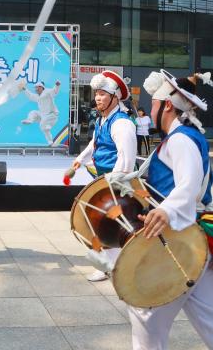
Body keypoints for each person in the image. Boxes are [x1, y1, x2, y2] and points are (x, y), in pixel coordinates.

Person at [126, 70, 213, 349]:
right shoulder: (183, 137)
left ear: (166, 105)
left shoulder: (180, 139)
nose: (150, 108)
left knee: (145, 313)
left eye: (154, 102)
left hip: (179, 239)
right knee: (209, 315)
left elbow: (188, 184)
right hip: (194, 240)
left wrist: (167, 210)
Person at [72, 70, 137, 282]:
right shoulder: (102, 120)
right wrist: (79, 160)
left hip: (116, 181)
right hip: (103, 179)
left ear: (115, 97)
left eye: (102, 94)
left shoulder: (121, 122)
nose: (97, 98)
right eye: (96, 94)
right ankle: (108, 264)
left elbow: (126, 158)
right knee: (102, 222)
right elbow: (94, 143)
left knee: (115, 224)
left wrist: (114, 186)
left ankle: (118, 265)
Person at [21, 80, 61, 145]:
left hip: (52, 115)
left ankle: (48, 125)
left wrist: (57, 85)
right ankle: (30, 120)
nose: (36, 89)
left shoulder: (47, 92)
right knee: (33, 113)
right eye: (35, 88)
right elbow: (30, 96)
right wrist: (24, 89)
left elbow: (54, 91)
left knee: (43, 125)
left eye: (38, 87)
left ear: (42, 87)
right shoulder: (37, 96)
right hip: (43, 115)